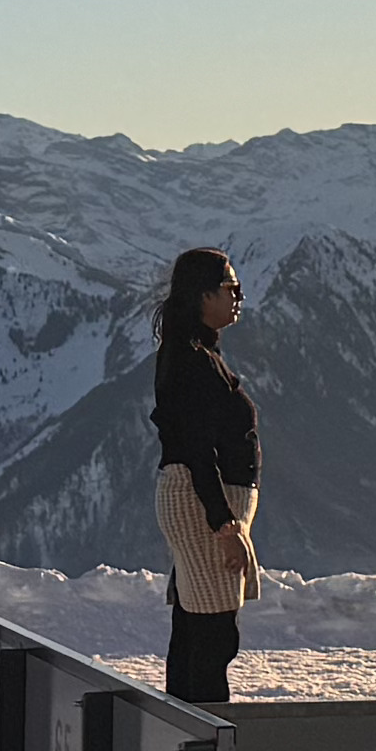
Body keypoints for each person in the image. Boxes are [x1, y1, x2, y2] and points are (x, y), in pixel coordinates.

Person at [149, 245, 262, 708]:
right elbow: (197, 449)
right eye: (231, 287)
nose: (239, 296)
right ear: (203, 294)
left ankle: (182, 737)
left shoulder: (194, 351)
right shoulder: (192, 359)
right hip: (202, 507)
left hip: (201, 504)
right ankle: (206, 747)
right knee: (213, 636)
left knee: (195, 630)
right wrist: (224, 526)